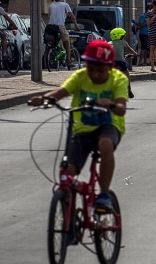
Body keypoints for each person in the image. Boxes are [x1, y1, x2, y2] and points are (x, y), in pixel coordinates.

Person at [29, 40, 128, 212]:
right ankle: (69, 220)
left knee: (105, 143)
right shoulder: (80, 76)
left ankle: (104, 194)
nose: (95, 74)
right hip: (82, 130)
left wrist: (111, 104)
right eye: (91, 69)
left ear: (110, 67)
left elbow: (121, 108)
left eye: (101, 70)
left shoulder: (118, 79)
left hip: (109, 126)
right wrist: (45, 99)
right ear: (85, 65)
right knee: (67, 171)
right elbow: (61, 92)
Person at [47, 0, 79, 67]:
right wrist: (76, 26)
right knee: (67, 41)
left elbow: (49, 16)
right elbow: (72, 16)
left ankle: (59, 51)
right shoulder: (65, 5)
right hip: (60, 26)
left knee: (55, 40)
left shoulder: (51, 6)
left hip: (50, 26)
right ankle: (68, 60)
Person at [110, 28, 137, 99]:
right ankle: (129, 89)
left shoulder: (108, 43)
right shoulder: (123, 42)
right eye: (123, 36)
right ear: (120, 36)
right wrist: (134, 54)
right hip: (121, 62)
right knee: (127, 74)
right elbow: (133, 52)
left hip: (111, 63)